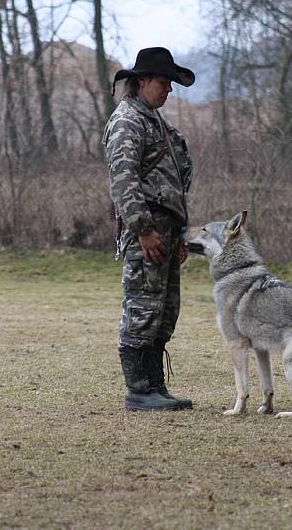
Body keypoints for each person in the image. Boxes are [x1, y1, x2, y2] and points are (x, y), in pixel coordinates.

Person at [103, 47, 195, 411]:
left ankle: (154, 387)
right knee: (143, 304)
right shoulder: (128, 121)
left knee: (164, 308)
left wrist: (180, 231)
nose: (169, 90)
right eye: (163, 82)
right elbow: (123, 181)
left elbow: (172, 179)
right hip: (148, 227)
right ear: (142, 82)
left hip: (166, 228)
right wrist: (143, 229)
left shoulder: (152, 120)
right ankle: (140, 390)